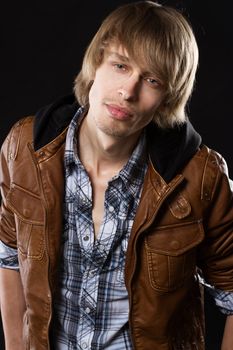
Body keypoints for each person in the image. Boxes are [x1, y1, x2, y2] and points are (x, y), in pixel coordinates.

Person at [0, 1, 233, 349]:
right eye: (120, 66)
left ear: (167, 97)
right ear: (96, 63)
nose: (128, 92)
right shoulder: (24, 148)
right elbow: (9, 256)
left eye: (152, 79)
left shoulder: (202, 177)